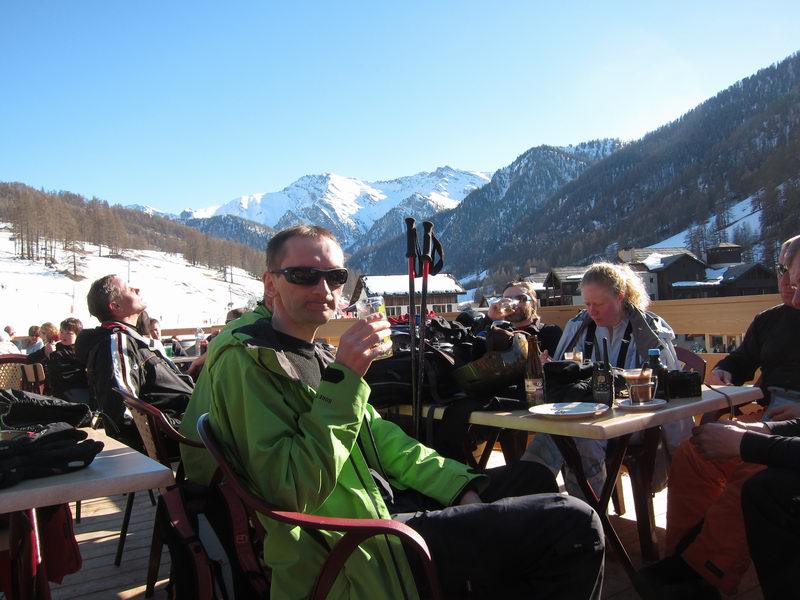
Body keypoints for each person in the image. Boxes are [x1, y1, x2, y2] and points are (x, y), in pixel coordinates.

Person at [181, 225, 605, 600]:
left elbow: (384, 441)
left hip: (379, 505)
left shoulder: (313, 353)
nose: (324, 289)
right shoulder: (250, 361)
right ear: (270, 283)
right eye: (304, 275)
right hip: (358, 548)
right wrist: (347, 377)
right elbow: (290, 490)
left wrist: (457, 487)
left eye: (335, 277)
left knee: (531, 478)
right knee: (575, 525)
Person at [638, 235, 800, 599]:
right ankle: (680, 558)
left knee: (753, 469)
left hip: (788, 434)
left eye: (795, 278)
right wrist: (725, 369)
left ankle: (705, 575)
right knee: (694, 452)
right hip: (766, 413)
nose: (789, 286)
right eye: (784, 274)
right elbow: (741, 360)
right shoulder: (770, 320)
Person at [521, 262, 690, 497]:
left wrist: (681, 456)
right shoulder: (579, 327)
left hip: (632, 422)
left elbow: (669, 388)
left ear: (620, 296)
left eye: (598, 304)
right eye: (587, 304)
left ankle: (586, 510)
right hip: (584, 414)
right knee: (552, 434)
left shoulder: (647, 331)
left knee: (580, 438)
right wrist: (552, 367)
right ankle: (531, 503)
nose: (592, 311)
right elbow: (563, 373)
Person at [75, 275, 194, 445]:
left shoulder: (128, 339)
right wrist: (182, 427)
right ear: (115, 306)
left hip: (192, 421)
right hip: (187, 435)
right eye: (129, 289)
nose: (137, 289)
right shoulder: (117, 342)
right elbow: (124, 413)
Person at [459, 280, 562, 356]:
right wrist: (489, 318)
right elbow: (469, 350)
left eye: (521, 298)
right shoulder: (497, 333)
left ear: (533, 303)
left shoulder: (549, 332)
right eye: (507, 299)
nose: (514, 303)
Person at [43, 318, 90, 403]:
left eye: (69, 333)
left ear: (77, 335)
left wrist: (49, 354)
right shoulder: (54, 348)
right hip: (61, 392)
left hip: (78, 389)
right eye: (61, 332)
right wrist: (46, 352)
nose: (63, 336)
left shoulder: (81, 350)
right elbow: (30, 359)